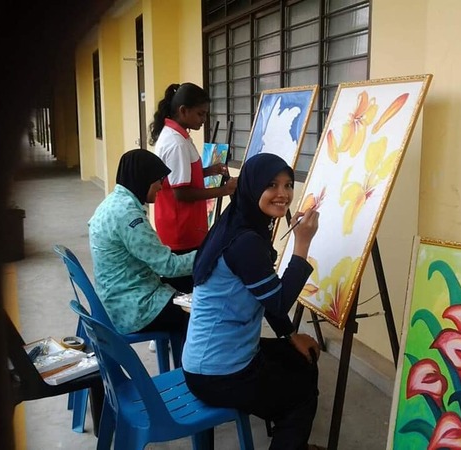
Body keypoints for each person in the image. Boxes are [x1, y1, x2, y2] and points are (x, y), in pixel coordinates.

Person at [182, 153, 324, 450]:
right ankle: (290, 437)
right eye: (271, 185)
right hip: (219, 373)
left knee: (303, 360)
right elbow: (279, 300)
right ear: (252, 186)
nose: (282, 194)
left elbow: (267, 294)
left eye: (288, 185)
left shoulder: (237, 221)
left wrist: (289, 335)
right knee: (300, 396)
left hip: (214, 359)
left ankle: (291, 440)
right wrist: (302, 244)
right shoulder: (246, 242)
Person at [88, 149, 193, 339]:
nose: (161, 187)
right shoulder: (128, 215)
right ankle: (196, 366)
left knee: (189, 282)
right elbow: (168, 266)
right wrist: (209, 253)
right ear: (143, 178)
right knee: (206, 315)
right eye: (159, 180)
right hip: (136, 308)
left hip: (120, 294)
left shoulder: (113, 202)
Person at [149, 82, 237, 294]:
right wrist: (223, 191)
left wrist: (209, 170)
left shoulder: (177, 136)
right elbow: (181, 193)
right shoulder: (176, 143)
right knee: (187, 290)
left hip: (180, 225)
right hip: (181, 229)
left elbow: (181, 177)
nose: (203, 119)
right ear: (183, 111)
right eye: (200, 114)